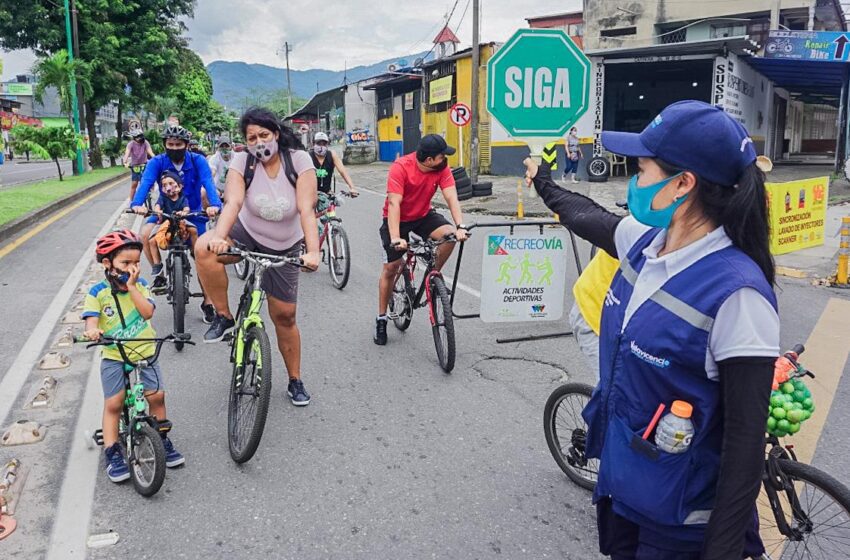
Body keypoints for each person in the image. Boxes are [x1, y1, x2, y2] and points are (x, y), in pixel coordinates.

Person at [524, 100, 779, 560]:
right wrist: (543, 182)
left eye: (641, 169)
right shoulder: (644, 242)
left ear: (683, 183)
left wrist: (720, 551)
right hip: (625, 486)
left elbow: (744, 448)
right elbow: (584, 216)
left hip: (682, 520)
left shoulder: (738, 296)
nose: (633, 182)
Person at [195, 107, 320, 406]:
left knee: (284, 316)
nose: (259, 142)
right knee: (202, 249)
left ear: (276, 133)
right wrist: (219, 237)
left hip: (285, 245)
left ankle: (295, 380)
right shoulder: (243, 161)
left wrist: (313, 251)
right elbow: (234, 201)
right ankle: (224, 316)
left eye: (264, 135)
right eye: (252, 138)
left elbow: (306, 209)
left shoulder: (299, 160)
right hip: (246, 233)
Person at [83, 229, 185, 483]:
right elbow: (91, 321)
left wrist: (131, 288)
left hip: (145, 352)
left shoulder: (140, 285)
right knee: (114, 403)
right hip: (114, 355)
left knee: (157, 397)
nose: (132, 268)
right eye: (125, 263)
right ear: (107, 264)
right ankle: (111, 450)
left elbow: (148, 312)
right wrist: (93, 330)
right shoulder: (97, 293)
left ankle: (161, 439)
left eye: (136, 263)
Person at [374, 134, 468, 345]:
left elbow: (451, 196)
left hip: (423, 215)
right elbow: (394, 204)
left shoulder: (442, 168)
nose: (445, 159)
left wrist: (460, 225)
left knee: (449, 237)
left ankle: (433, 276)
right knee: (391, 268)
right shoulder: (401, 167)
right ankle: (381, 318)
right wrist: (396, 237)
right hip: (397, 219)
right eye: (442, 156)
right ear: (429, 160)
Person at [131, 125, 221, 324]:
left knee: (203, 257)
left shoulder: (198, 161)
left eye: (178, 144)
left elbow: (208, 182)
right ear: (164, 145)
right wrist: (137, 204)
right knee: (144, 234)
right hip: (164, 213)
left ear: (186, 145)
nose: (174, 147)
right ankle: (158, 271)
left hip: (193, 213)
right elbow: (145, 183)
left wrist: (215, 205)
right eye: (170, 144)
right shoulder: (157, 162)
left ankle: (208, 303)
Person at [150, 171, 198, 251]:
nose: (168, 187)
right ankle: (157, 263)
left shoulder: (183, 198)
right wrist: (157, 211)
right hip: (165, 222)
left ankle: (195, 252)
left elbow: (186, 208)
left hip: (180, 220)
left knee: (193, 230)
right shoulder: (163, 198)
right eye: (164, 185)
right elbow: (157, 205)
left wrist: (183, 213)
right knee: (151, 240)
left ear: (179, 185)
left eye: (171, 183)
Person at [123, 129, 155, 202]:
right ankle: (131, 201)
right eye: (138, 137)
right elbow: (127, 153)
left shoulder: (145, 142)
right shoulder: (131, 144)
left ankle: (150, 191)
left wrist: (156, 159)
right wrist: (125, 162)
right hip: (135, 165)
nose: (140, 138)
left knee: (147, 180)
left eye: (141, 136)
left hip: (144, 163)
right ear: (134, 138)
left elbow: (150, 152)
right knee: (134, 184)